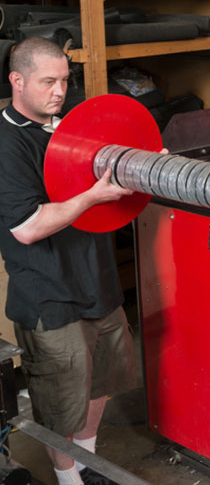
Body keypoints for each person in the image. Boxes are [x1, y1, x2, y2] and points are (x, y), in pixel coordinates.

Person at [0, 37, 137, 485]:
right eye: (47, 82)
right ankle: (68, 479)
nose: (59, 91)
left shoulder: (71, 125)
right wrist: (95, 195)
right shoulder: (7, 144)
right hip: (49, 295)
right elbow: (27, 227)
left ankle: (86, 464)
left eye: (64, 80)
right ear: (17, 81)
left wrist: (146, 165)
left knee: (101, 381)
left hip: (97, 282)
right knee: (60, 399)